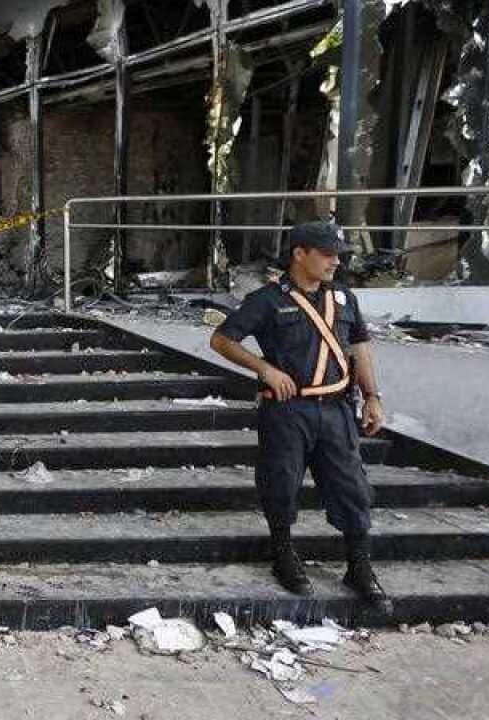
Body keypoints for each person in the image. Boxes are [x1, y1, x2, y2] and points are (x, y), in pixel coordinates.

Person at [209, 220, 392, 614]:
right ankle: (284, 554)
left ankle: (359, 567)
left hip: (337, 409)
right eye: (327, 254)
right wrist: (265, 369)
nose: (335, 262)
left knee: (352, 486)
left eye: (337, 255)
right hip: (288, 411)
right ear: (299, 254)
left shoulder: (344, 298)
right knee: (281, 482)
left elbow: (360, 348)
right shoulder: (267, 300)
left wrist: (372, 397)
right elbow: (221, 339)